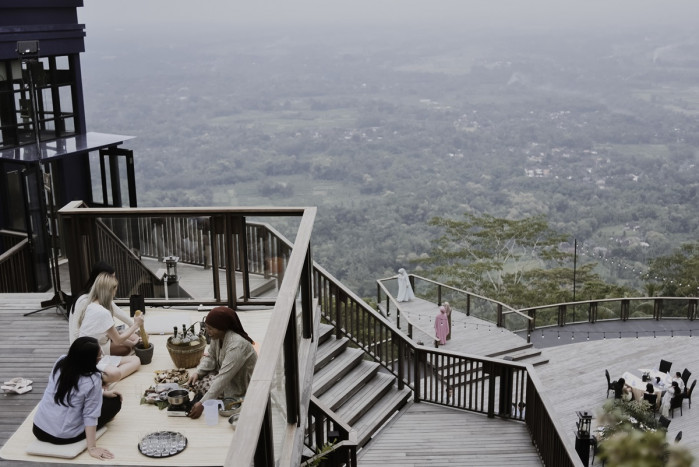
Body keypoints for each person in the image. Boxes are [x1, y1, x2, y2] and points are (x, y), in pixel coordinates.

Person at [32, 337, 122, 461]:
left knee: (102, 399)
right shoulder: (93, 379)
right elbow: (90, 414)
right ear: (90, 360)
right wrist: (92, 448)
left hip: (38, 428)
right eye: (100, 355)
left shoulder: (61, 362)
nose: (101, 357)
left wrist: (101, 393)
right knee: (115, 401)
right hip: (63, 436)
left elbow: (69, 391)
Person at [187, 306, 258, 419]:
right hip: (226, 374)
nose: (208, 332)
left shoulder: (237, 346)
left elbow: (223, 378)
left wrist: (202, 404)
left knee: (203, 387)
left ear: (222, 328)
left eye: (211, 329)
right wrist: (198, 372)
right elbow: (211, 357)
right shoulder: (217, 336)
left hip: (240, 384)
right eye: (206, 328)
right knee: (197, 380)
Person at [77, 273, 142, 383]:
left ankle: (104, 376)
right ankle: (103, 379)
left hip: (85, 356)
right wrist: (136, 325)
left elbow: (113, 336)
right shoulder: (102, 312)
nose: (114, 294)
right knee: (136, 360)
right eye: (114, 290)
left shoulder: (91, 306)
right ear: (109, 291)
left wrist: (132, 342)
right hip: (93, 360)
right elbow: (118, 340)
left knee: (130, 342)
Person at [69, 261, 139, 356]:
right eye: (112, 277)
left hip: (102, 337)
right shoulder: (84, 300)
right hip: (88, 346)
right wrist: (77, 352)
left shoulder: (100, 297)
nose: (114, 281)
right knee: (126, 348)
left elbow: (117, 311)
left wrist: (137, 327)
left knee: (135, 337)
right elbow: (76, 332)